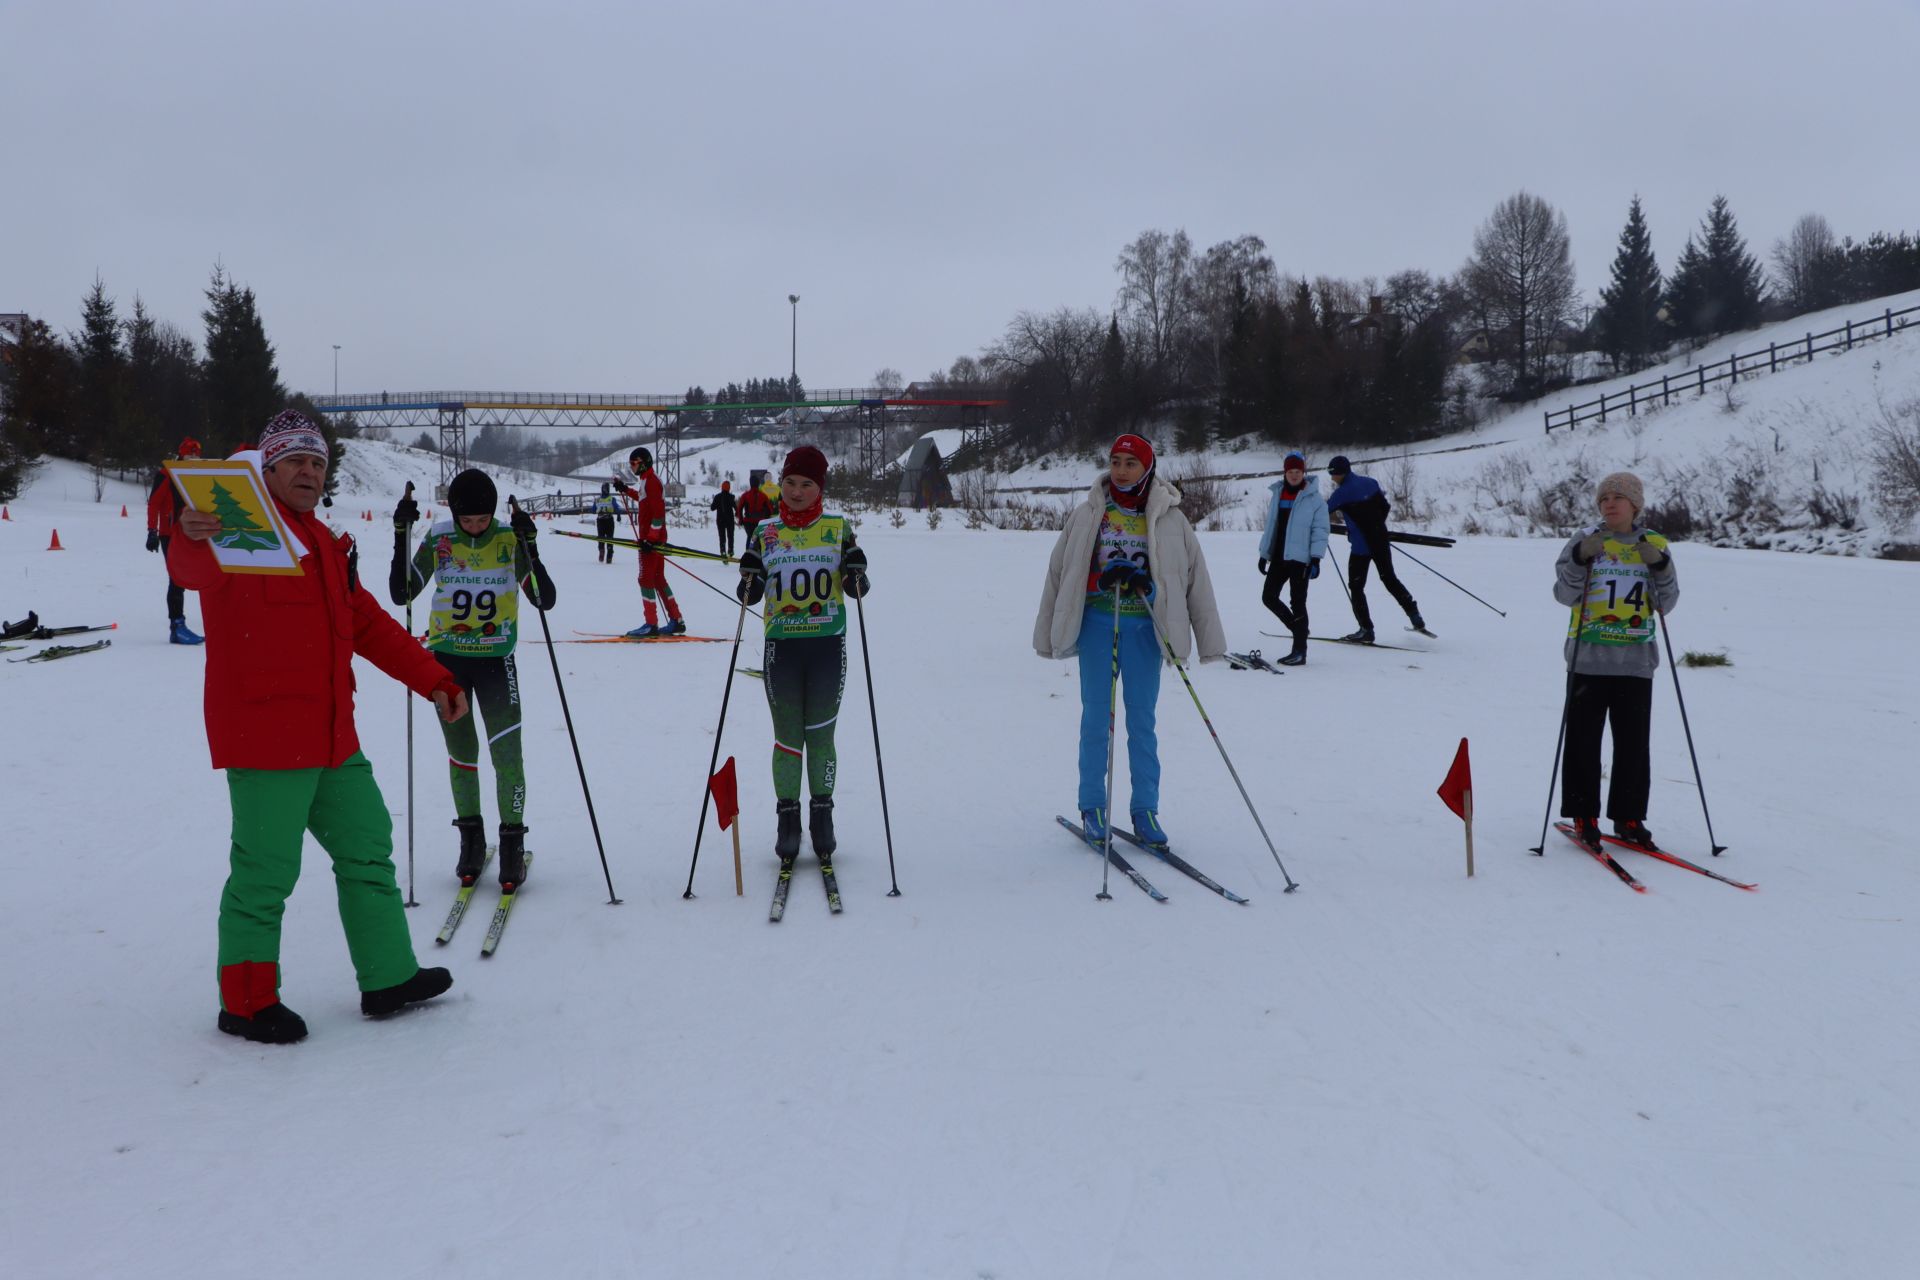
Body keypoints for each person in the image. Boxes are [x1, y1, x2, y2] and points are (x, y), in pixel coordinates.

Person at [170, 410, 467, 1045]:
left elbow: (369, 625)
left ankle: (388, 977)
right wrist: (190, 533)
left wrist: (435, 679)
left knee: (367, 849)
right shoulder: (238, 528)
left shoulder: (326, 545)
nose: (308, 471)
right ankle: (246, 1003)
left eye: (318, 462)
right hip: (266, 739)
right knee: (265, 874)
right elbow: (191, 569)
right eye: (296, 461)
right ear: (269, 468)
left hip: (333, 737)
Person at [1033, 434, 1225, 847]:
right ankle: (1093, 806)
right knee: (1096, 721)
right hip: (1099, 627)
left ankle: (1145, 811)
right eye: (1115, 462)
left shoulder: (1171, 519)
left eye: (1130, 463)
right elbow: (1060, 573)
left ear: (1147, 468)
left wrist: (1153, 590)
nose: (1120, 470)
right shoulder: (1089, 515)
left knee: (1142, 723)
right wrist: (1097, 582)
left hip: (1145, 631)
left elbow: (1195, 580)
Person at [390, 469, 557, 892]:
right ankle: (470, 841)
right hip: (448, 664)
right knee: (462, 756)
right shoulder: (440, 539)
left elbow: (543, 598)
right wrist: (400, 535)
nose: (477, 528)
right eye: (470, 521)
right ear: (455, 513)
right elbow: (401, 592)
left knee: (507, 758)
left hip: (497, 662)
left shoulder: (506, 539)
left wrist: (530, 547)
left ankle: (512, 844)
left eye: (484, 520)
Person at [734, 446, 870, 862]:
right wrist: (750, 582)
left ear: (819, 488)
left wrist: (857, 569)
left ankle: (822, 816)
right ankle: (788, 819)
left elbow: (856, 590)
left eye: (806, 484)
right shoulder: (765, 531)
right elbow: (749, 596)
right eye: (790, 483)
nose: (795, 492)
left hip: (827, 646)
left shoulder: (837, 527)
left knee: (821, 736)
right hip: (782, 649)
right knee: (788, 740)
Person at [1552, 471, 1680, 854]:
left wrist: (1660, 566)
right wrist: (1579, 558)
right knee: (1582, 742)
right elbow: (1563, 594)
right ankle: (1583, 814)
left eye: (1618, 497)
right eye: (1604, 498)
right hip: (1588, 657)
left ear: (1635, 505)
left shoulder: (1654, 543)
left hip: (1635, 660)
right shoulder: (1585, 539)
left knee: (1633, 745)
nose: (1609, 503)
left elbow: (1666, 603)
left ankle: (1628, 816)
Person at [1324, 455, 1425, 643]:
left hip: (1361, 548)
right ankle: (1415, 616)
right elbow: (1384, 507)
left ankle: (1366, 629)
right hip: (1380, 541)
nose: (1331, 478)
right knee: (1390, 580)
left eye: (1332, 473)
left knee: (1356, 587)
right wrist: (1375, 528)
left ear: (1340, 473)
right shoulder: (1370, 483)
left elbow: (1322, 512)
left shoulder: (1341, 493)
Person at [1256, 451, 1329, 666]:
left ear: (1303, 473)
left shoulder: (1314, 499)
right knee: (1268, 597)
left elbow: (1320, 530)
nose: (1294, 475)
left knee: (1298, 603)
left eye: (1298, 471)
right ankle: (1299, 630)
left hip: (1300, 560)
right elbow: (1272, 528)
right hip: (1279, 557)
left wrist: (1315, 559)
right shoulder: (1278, 494)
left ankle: (1299, 651)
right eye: (1290, 471)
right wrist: (1264, 554)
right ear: (1285, 473)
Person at [613, 446, 686, 637]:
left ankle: (651, 624)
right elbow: (644, 500)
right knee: (657, 578)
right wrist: (625, 490)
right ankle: (677, 619)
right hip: (653, 540)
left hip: (651, 541)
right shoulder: (647, 481)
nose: (632, 467)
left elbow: (658, 514)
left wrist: (650, 540)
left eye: (634, 463)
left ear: (643, 463)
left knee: (645, 579)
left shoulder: (652, 482)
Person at [146, 436, 204, 645]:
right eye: (190, 453)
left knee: (200, 576)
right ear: (181, 454)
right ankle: (177, 627)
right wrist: (152, 531)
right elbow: (154, 503)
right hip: (170, 534)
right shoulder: (167, 474)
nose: (193, 457)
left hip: (193, 533)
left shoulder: (198, 475)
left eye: (197, 454)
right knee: (177, 579)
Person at [736, 475, 775, 545]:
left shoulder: (745, 495)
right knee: (760, 540)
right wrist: (766, 519)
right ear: (758, 484)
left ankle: (748, 553)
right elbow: (770, 510)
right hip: (760, 522)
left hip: (748, 522)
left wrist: (741, 520)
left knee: (750, 537)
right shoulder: (764, 496)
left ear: (750, 483)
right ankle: (760, 554)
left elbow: (739, 508)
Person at [709, 481, 737, 558]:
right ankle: (730, 551)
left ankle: (723, 551)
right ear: (729, 488)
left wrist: (715, 503)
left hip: (720, 520)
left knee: (722, 536)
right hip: (730, 520)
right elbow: (736, 508)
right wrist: (738, 514)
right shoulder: (731, 497)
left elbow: (712, 508)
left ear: (722, 487)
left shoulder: (717, 497)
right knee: (730, 536)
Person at [593, 481, 618, 564]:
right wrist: (618, 514)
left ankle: (602, 551)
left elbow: (593, 509)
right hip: (608, 520)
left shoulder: (598, 499)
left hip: (601, 520)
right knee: (609, 538)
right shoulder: (611, 499)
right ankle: (608, 554)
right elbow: (617, 507)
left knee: (601, 537)